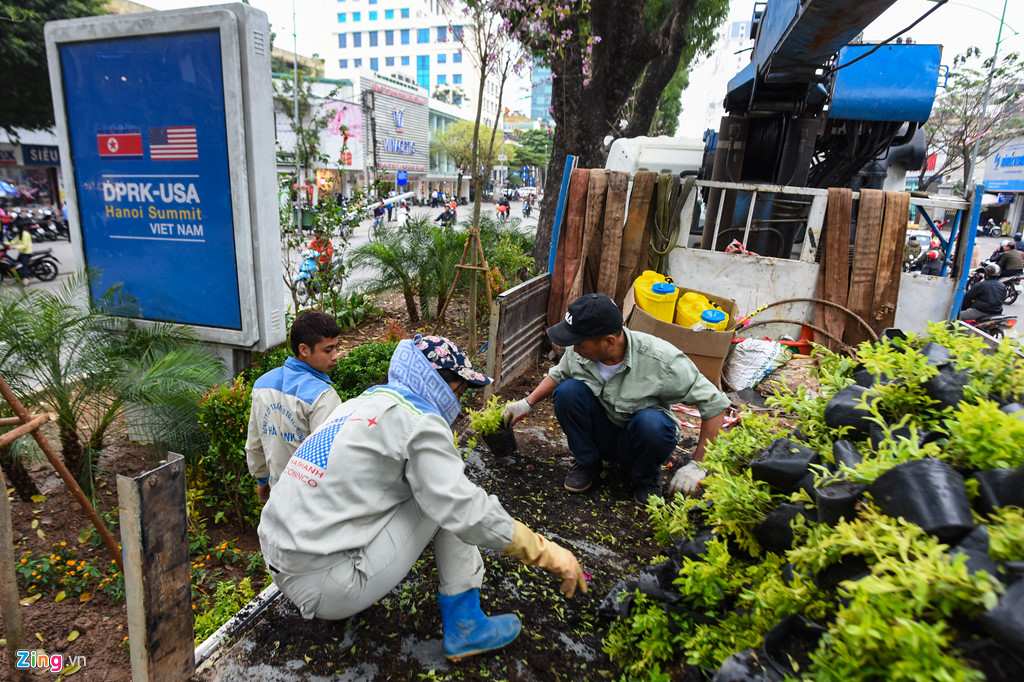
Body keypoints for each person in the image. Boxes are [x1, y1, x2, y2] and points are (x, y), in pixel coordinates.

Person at [257, 335, 587, 661]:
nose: (461, 400)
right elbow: (464, 509)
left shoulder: (359, 403)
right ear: (441, 383)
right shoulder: (418, 421)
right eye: (461, 389)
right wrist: (548, 553)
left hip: (279, 558)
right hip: (325, 584)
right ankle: (466, 626)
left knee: (434, 487)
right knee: (448, 496)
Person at [501, 294, 731, 505]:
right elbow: (559, 374)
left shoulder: (662, 361)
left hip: (640, 440)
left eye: (579, 343)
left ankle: (645, 477)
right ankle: (587, 463)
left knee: (654, 423)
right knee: (568, 391)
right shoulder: (581, 351)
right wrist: (526, 403)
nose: (574, 348)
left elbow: (715, 404)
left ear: (609, 342)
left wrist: (697, 464)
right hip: (602, 434)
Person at [246, 311, 343, 503]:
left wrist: (262, 479)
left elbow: (254, 444)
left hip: (278, 497)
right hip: (312, 502)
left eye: (336, 348)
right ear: (304, 349)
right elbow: (332, 460)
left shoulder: (262, 385)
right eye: (328, 350)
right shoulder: (323, 397)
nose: (335, 356)